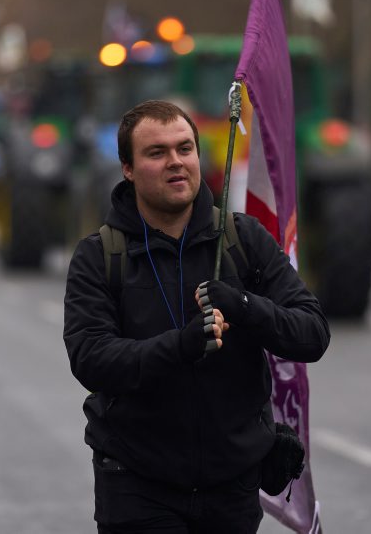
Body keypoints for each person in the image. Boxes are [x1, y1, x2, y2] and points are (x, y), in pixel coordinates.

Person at [63, 100, 330, 533]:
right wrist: (181, 346)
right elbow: (92, 358)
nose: (176, 162)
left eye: (185, 149)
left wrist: (244, 306)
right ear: (128, 169)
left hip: (232, 489)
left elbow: (312, 333)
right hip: (138, 486)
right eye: (157, 153)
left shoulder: (244, 240)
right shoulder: (99, 256)